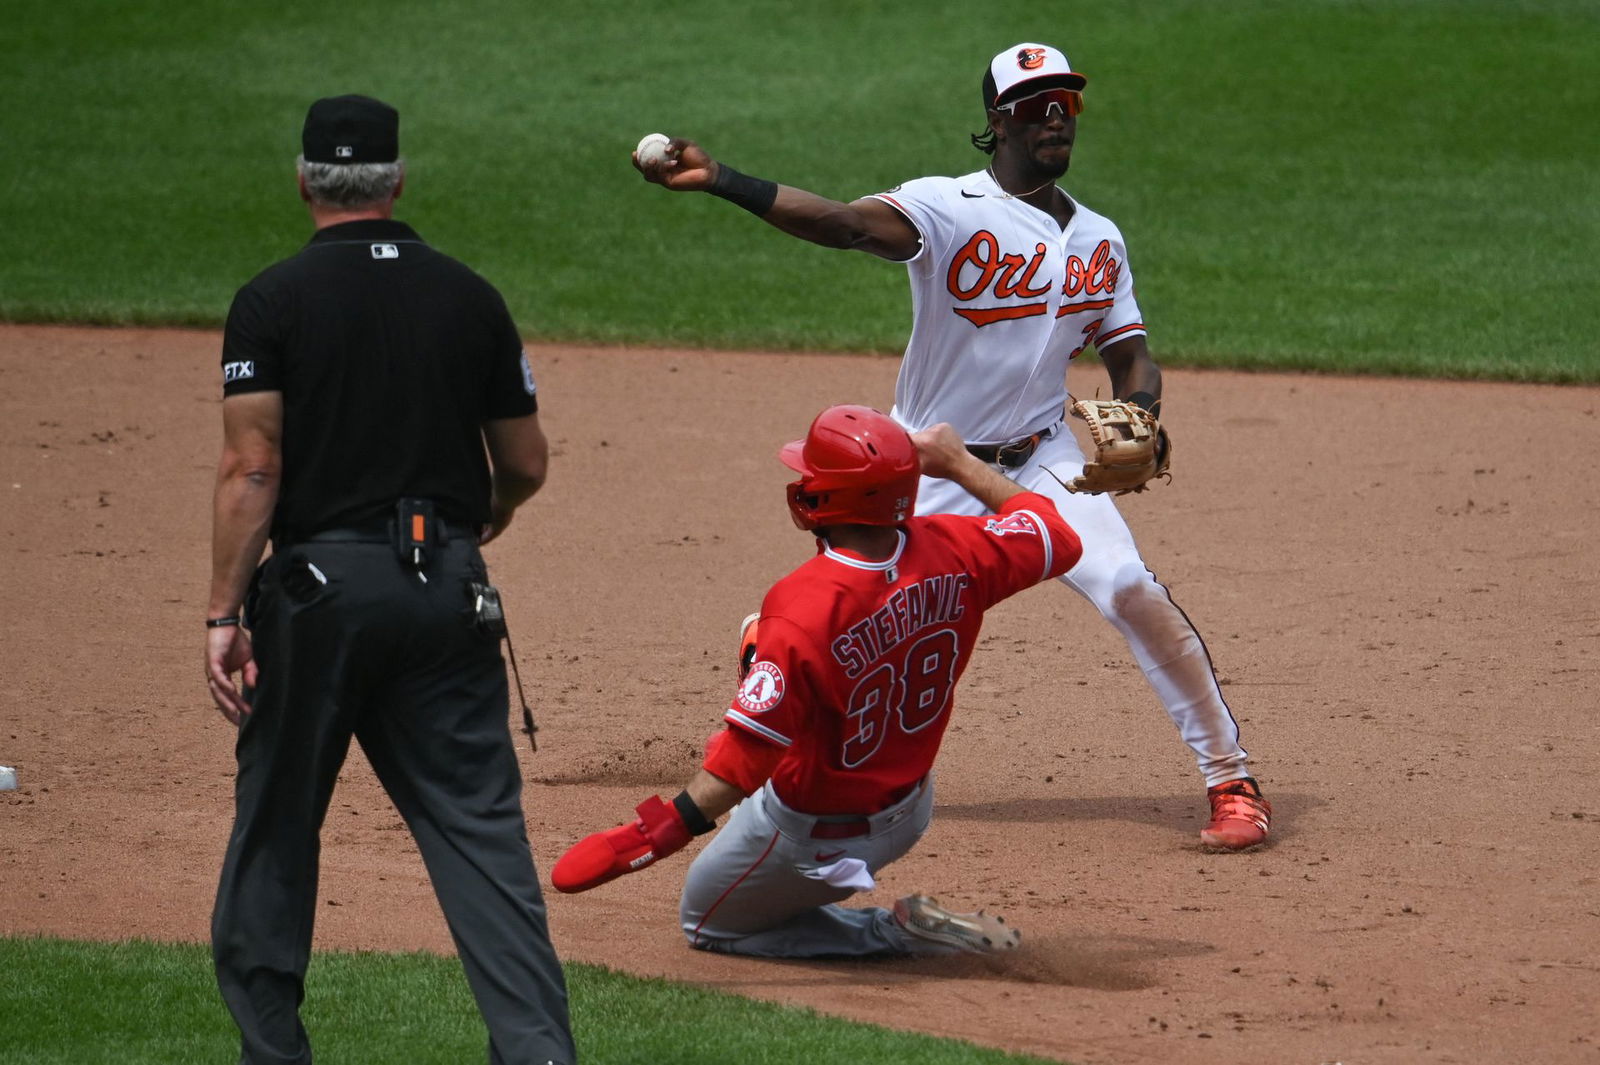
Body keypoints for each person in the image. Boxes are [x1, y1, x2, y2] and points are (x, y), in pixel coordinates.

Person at [631, 42, 1271, 850]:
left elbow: (1130, 353)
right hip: (925, 460)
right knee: (839, 611)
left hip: (1045, 460)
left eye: (1065, 105)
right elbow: (841, 224)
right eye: (1037, 106)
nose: (1054, 119)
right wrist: (726, 179)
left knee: (1130, 589)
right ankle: (768, 724)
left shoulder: (1101, 239)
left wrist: (1140, 409)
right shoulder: (947, 206)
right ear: (997, 120)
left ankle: (1231, 777)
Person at [203, 95, 575, 1064]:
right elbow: (526, 462)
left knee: (277, 831)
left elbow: (254, 469)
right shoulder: (468, 295)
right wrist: (482, 517)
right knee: (483, 842)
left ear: (303, 181)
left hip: (320, 597)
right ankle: (538, 1053)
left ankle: (273, 1054)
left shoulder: (271, 300)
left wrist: (220, 613)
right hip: (448, 589)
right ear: (397, 181)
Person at [550, 405, 1083, 956]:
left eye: (810, 475)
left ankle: (894, 934)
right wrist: (960, 463)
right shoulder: (958, 548)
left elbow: (742, 762)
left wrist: (657, 833)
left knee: (709, 924)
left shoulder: (802, 608)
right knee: (765, 642)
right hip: (911, 805)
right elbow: (1057, 534)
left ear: (824, 500)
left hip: (818, 835)